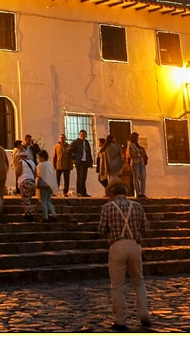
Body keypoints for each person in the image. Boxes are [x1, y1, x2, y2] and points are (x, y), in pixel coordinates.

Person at [97, 181, 151, 330]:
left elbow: (101, 229)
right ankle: (144, 315)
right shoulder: (137, 206)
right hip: (135, 244)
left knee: (117, 286)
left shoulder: (107, 208)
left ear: (112, 194)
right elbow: (146, 227)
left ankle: (120, 320)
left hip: (117, 245)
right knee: (139, 281)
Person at [36, 149, 58, 222]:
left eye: (38, 157)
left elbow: (39, 175)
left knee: (43, 201)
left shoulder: (41, 165)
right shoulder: (49, 164)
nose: (38, 159)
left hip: (44, 184)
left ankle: (45, 217)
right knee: (48, 201)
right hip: (50, 185)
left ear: (42, 157)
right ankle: (54, 214)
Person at [71, 130, 94, 197]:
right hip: (79, 161)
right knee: (79, 177)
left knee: (84, 177)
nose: (82, 136)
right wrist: (74, 158)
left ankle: (84, 192)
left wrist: (91, 161)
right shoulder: (76, 142)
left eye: (84, 134)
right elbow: (69, 149)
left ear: (86, 135)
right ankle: (79, 192)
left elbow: (89, 152)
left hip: (85, 161)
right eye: (81, 134)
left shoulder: (87, 143)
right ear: (79, 135)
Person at [15, 147, 37, 216]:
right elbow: (35, 174)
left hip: (24, 182)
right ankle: (29, 212)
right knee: (29, 199)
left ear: (20, 156)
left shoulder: (21, 162)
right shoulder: (32, 162)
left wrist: (17, 177)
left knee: (25, 199)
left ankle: (29, 214)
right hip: (32, 183)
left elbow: (18, 172)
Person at [127, 133, 148, 199]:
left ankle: (143, 192)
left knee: (143, 177)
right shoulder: (130, 145)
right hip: (135, 163)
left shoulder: (138, 145)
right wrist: (139, 154)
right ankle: (137, 193)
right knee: (136, 178)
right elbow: (131, 155)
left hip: (141, 163)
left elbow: (142, 152)